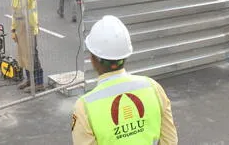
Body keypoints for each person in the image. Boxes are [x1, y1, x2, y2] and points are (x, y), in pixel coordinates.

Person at [72, 15, 178, 145]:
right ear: (126, 56)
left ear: (93, 59)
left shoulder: (84, 106)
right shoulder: (153, 87)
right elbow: (170, 141)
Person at [1, 0, 45, 93]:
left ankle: (39, 83)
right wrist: (13, 30)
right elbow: (14, 16)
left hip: (29, 30)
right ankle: (30, 80)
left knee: (32, 56)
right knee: (24, 56)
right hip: (20, 31)